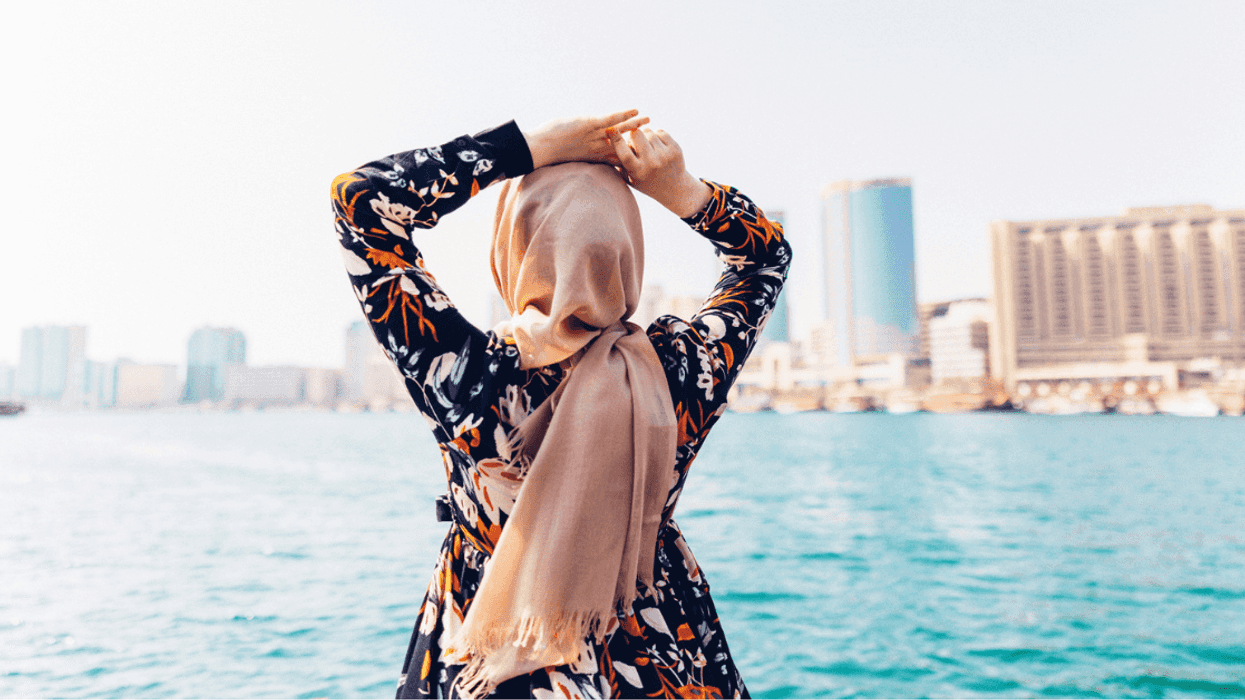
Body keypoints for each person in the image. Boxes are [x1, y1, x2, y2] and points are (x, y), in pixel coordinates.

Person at [330, 110, 791, 698]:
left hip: (493, 645)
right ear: (627, 247)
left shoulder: (465, 370)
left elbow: (360, 202)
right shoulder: (677, 371)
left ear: (513, 248)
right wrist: (682, 191)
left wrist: (524, 148)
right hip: (656, 647)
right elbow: (764, 261)